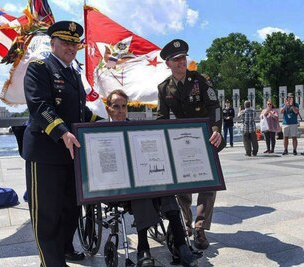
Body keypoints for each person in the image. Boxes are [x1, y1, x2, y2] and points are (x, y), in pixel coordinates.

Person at [22, 21, 102, 267]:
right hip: (46, 153)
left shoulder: (73, 73)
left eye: (74, 43)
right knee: (47, 214)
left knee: (70, 209)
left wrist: (105, 123)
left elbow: (79, 111)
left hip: (72, 154)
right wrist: (62, 131)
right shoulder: (39, 68)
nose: (71, 47)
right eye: (66, 42)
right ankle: (51, 262)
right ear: (53, 43)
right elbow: (39, 106)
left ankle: (65, 248)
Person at [104, 89, 198, 267]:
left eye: (124, 106)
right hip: (117, 183)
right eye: (116, 106)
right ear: (108, 109)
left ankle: (181, 245)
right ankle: (143, 247)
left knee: (165, 190)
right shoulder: (98, 131)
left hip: (141, 179)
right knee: (142, 191)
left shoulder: (137, 128)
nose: (120, 110)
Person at [157, 39, 225, 250]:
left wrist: (216, 130)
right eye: (176, 60)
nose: (181, 62)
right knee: (182, 188)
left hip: (205, 139)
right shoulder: (164, 88)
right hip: (180, 142)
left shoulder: (200, 81)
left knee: (208, 185)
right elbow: (161, 117)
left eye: (183, 58)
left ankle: (200, 227)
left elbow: (214, 106)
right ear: (168, 63)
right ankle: (186, 225)